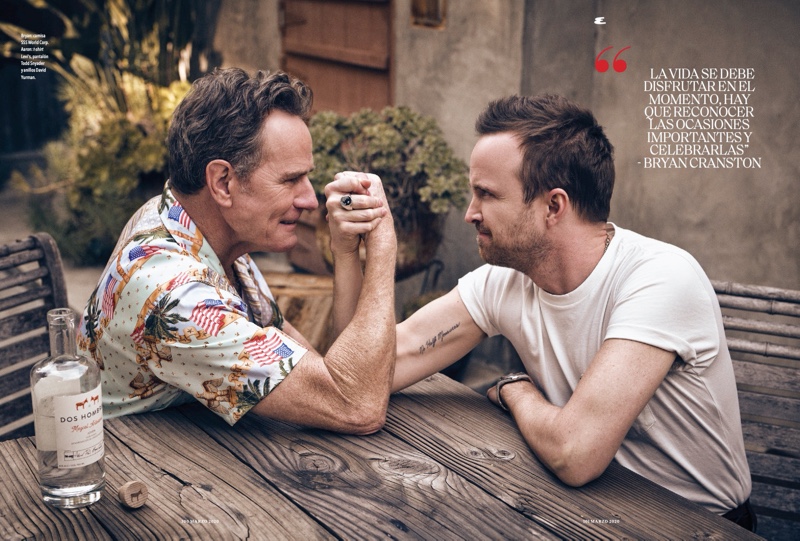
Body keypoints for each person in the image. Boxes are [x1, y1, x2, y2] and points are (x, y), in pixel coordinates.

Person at [339, 94, 755, 529]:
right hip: (583, 511)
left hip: (697, 525)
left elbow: (574, 454)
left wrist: (515, 389)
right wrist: (354, 253)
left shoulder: (660, 278)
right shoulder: (506, 279)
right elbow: (361, 375)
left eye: (486, 194)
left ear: (553, 206)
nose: (470, 213)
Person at [77, 68, 397, 435]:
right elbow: (354, 405)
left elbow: (329, 372)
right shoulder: (174, 293)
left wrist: (345, 253)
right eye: (290, 179)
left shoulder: (196, 231)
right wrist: (383, 247)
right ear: (223, 183)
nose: (311, 200)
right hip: (130, 473)